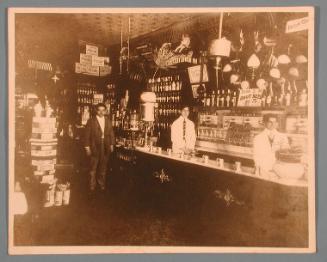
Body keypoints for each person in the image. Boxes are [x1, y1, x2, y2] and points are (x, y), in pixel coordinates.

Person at [84, 103, 115, 192]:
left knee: (103, 167)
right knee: (93, 168)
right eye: (99, 110)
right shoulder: (91, 121)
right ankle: (92, 186)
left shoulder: (108, 120)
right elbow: (86, 135)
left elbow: (111, 133)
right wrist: (87, 147)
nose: (101, 112)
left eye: (103, 110)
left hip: (105, 146)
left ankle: (101, 185)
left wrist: (112, 144)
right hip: (94, 147)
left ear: (105, 111)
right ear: (96, 111)